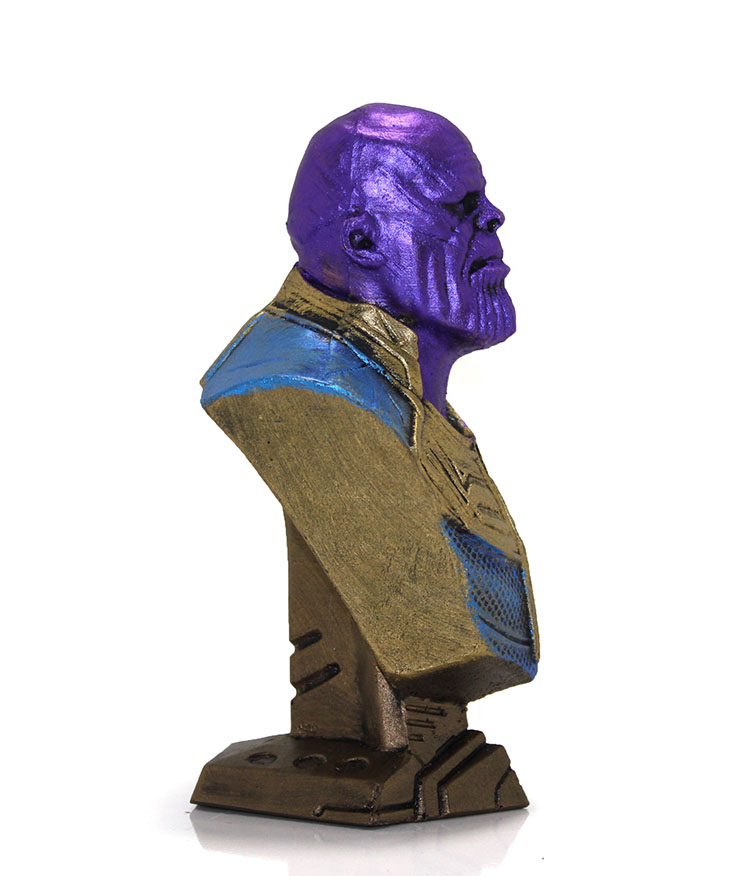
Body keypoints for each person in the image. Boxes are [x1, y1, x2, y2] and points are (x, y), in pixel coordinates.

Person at [195, 104, 538, 824]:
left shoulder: (416, 397)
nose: (493, 218)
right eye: (460, 206)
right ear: (364, 239)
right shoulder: (300, 386)